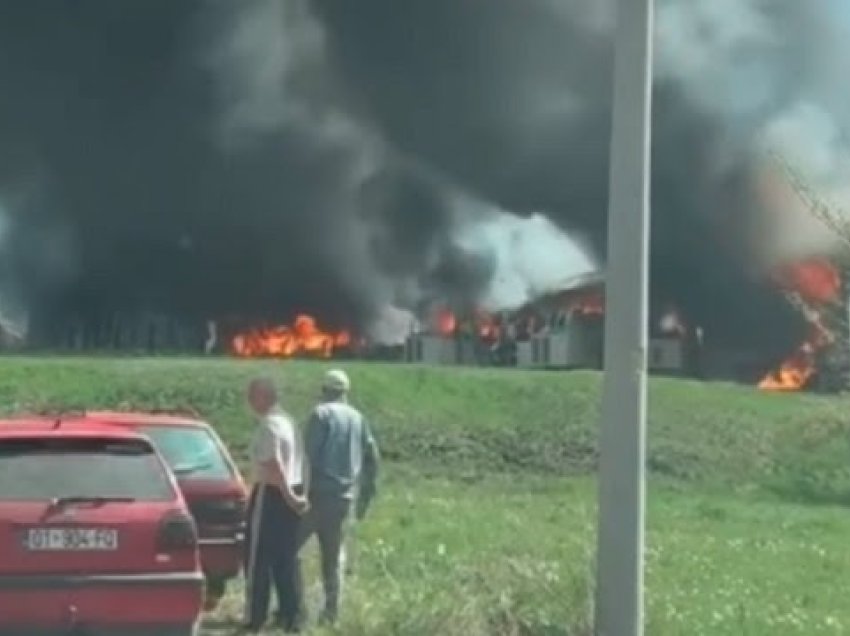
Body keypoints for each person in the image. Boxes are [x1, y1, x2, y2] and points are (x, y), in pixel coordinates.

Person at [298, 368, 379, 624]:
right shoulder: (358, 418)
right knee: (333, 557)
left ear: (324, 390)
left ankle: (293, 607)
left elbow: (306, 458)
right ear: (346, 392)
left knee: (289, 549)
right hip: (344, 499)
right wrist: (366, 492)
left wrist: (298, 493)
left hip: (316, 496)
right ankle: (331, 612)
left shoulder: (320, 414)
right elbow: (372, 456)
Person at [242, 377, 308, 634]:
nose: (249, 401)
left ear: (264, 397)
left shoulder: (269, 426)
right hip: (292, 491)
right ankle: (292, 615)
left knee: (257, 559)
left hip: (271, 494)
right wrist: (298, 494)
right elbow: (302, 461)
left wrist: (289, 494)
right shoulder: (289, 422)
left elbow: (273, 463)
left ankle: (254, 618)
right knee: (286, 557)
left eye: (252, 395)